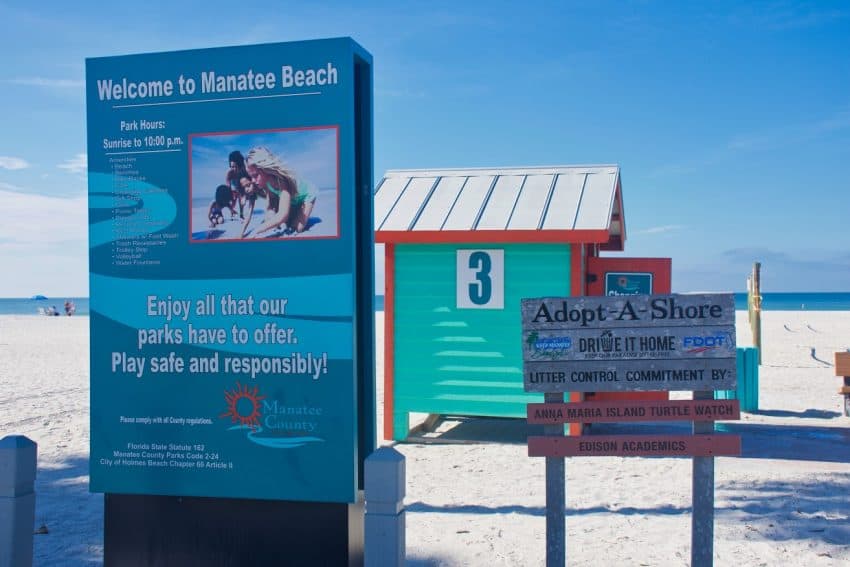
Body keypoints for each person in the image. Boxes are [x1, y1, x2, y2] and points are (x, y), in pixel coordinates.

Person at [244, 146, 317, 238]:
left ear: (265, 169)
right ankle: (296, 212)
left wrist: (258, 230)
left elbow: (283, 214)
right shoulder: (266, 183)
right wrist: (270, 215)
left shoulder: (282, 181)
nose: (253, 180)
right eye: (251, 177)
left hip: (306, 196)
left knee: (296, 229)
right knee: (278, 221)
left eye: (255, 175)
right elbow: (270, 204)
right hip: (293, 199)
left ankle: (299, 212)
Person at [225, 151, 249, 219]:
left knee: (240, 198)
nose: (234, 169)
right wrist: (230, 193)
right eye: (232, 167)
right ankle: (232, 212)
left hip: (240, 181)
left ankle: (241, 214)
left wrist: (244, 194)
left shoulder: (243, 170)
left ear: (240, 164)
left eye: (236, 166)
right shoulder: (229, 173)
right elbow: (228, 183)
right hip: (233, 183)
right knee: (234, 200)